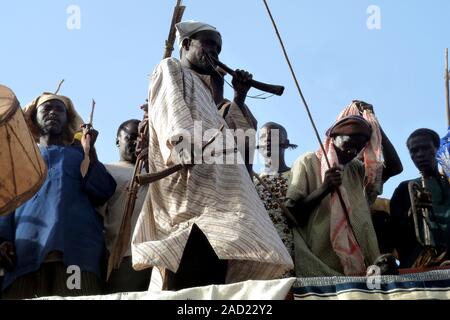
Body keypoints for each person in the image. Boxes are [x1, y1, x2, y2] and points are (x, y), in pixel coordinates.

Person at [131, 20, 293, 291]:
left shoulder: (205, 91)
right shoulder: (170, 68)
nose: (215, 54)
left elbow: (235, 144)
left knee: (214, 286)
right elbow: (175, 119)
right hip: (191, 203)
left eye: (219, 49)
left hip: (218, 204)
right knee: (189, 282)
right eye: (209, 45)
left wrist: (238, 96)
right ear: (185, 44)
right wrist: (183, 147)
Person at [0, 93, 116, 299]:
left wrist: (91, 153)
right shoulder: (19, 158)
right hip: (24, 253)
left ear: (68, 119)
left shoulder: (82, 156)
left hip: (78, 253)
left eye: (59, 109)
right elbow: (6, 200)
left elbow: (102, 192)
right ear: (34, 118)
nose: (53, 113)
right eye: (46, 109)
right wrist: (2, 240)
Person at [285, 101, 403, 277]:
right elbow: (291, 214)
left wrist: (375, 125)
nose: (352, 152)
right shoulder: (308, 161)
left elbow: (394, 167)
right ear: (333, 137)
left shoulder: (355, 168)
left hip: (364, 267)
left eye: (359, 147)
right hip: (320, 265)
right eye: (348, 144)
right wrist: (324, 188)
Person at [103, 119, 152, 293]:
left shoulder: (156, 173)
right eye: (130, 138)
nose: (136, 143)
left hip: (154, 256)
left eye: (141, 139)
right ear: (118, 140)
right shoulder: (107, 171)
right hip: (123, 256)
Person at [390, 129, 450, 268]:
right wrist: (411, 214)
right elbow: (396, 234)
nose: (420, 155)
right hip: (419, 264)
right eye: (414, 151)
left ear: (437, 148)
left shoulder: (448, 183)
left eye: (425, 148)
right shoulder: (404, 189)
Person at [253, 122, 298, 277]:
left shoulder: (297, 176)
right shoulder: (252, 181)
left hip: (292, 253)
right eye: (264, 137)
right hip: (262, 254)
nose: (268, 140)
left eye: (273, 136)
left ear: (285, 144)